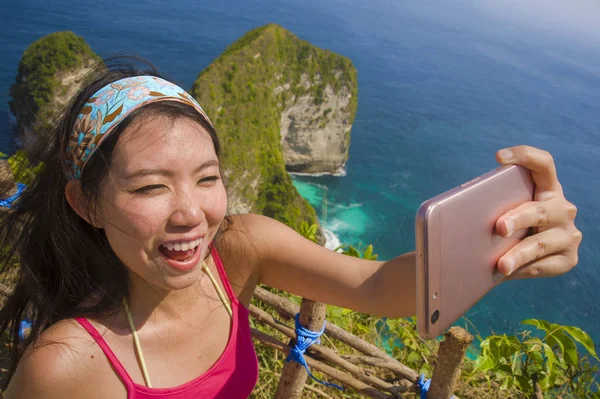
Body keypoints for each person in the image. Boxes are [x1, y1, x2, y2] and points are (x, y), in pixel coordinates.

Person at [0, 59, 581, 399]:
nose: (191, 213)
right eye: (150, 187)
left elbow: (379, 287)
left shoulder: (239, 249)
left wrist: (507, 245)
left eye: (207, 178)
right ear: (86, 204)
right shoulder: (64, 367)